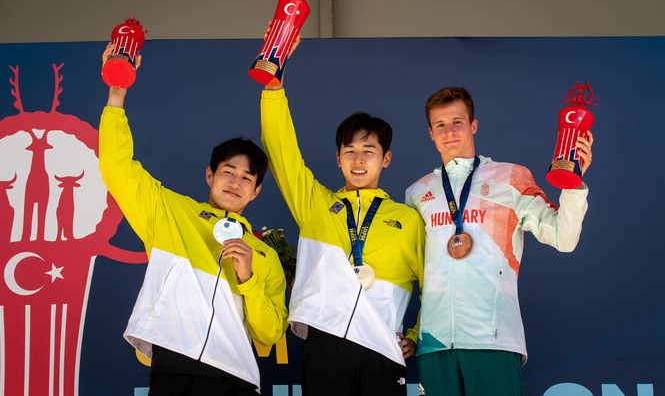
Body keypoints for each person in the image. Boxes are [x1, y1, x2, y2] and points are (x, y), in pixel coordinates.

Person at [98, 44, 288, 396]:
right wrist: (117, 92)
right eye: (228, 171)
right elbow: (116, 166)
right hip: (176, 366)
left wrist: (247, 279)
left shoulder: (264, 255)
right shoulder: (170, 211)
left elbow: (270, 332)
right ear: (209, 175)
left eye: (247, 178)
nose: (235, 182)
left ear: (256, 191)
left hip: (237, 377)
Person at [259, 36, 425, 396]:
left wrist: (416, 335)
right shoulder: (315, 205)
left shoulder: (408, 220)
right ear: (338, 158)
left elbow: (436, 286)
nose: (358, 159)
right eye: (349, 150)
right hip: (325, 343)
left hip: (383, 348)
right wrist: (274, 89)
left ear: (386, 159)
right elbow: (282, 153)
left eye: (369, 150)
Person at [405, 86, 594, 395]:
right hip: (434, 345)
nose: (449, 131)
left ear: (473, 125)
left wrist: (573, 184)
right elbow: (413, 271)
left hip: (494, 341)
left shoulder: (510, 178)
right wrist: (414, 333)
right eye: (440, 125)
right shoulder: (417, 192)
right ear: (430, 133)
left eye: (457, 122)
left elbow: (564, 238)